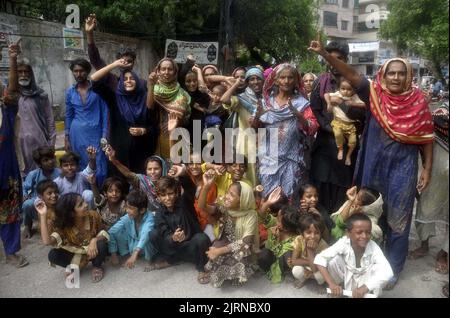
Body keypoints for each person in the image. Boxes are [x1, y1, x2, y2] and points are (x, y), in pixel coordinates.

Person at [309, 38, 434, 289]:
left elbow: (427, 137)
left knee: (398, 219)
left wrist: (427, 169)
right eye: (392, 73)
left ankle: (393, 269)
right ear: (384, 76)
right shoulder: (374, 93)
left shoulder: (418, 102)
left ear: (408, 76)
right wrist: (324, 54)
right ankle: (363, 262)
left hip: (403, 167)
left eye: (401, 74)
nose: (396, 78)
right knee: (366, 214)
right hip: (373, 164)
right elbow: (352, 74)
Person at [85, 14, 146, 175]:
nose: (126, 63)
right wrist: (90, 34)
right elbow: (96, 60)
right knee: (117, 165)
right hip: (117, 131)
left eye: (129, 61)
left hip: (136, 133)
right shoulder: (111, 80)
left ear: (134, 63)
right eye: (122, 60)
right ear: (118, 61)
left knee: (137, 167)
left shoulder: (139, 85)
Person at [309, 41, 366, 214]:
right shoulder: (320, 82)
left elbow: (365, 112)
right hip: (325, 143)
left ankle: (339, 227)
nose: (333, 62)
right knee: (322, 185)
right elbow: (316, 109)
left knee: (343, 189)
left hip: (349, 143)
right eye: (330, 58)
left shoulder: (356, 82)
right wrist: (329, 127)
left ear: (346, 59)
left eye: (339, 58)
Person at [255, 63, 319, 201]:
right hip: (268, 157)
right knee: (267, 195)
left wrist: (298, 115)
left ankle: (285, 221)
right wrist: (256, 116)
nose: (286, 81)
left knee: (288, 196)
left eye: (290, 78)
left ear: (296, 80)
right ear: (276, 80)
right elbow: (255, 128)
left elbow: (312, 127)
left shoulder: (302, 103)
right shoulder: (266, 103)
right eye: (282, 77)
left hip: (291, 157)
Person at [90, 58, 154, 173]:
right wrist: (114, 64)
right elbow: (94, 79)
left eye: (132, 78)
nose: (128, 81)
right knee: (119, 184)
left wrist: (143, 131)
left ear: (138, 81)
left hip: (141, 152)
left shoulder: (145, 99)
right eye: (125, 79)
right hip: (119, 152)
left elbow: (154, 126)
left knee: (140, 183)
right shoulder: (114, 98)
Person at [198, 170, 260, 287]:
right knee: (216, 247)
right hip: (226, 243)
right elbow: (202, 206)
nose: (226, 197)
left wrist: (219, 251)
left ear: (242, 200)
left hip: (242, 247)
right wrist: (206, 186)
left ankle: (238, 275)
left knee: (240, 254)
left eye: (232, 195)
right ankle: (226, 274)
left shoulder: (250, 215)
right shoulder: (225, 208)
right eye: (228, 192)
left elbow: (246, 242)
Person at [147, 173, 211, 285]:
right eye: (163, 195)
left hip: (192, 245)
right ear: (159, 197)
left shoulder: (184, 202)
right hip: (175, 248)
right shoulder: (160, 213)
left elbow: (190, 189)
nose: (167, 198)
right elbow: (163, 231)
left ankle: (201, 268)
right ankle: (172, 260)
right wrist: (173, 237)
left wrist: (182, 174)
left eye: (170, 193)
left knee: (202, 238)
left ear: (176, 193)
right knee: (153, 234)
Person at [409, 102, 448, 275]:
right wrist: (426, 168)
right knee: (426, 206)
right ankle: (424, 244)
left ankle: (445, 253)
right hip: (436, 163)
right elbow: (429, 128)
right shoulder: (442, 110)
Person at [314, 214, 393, 298]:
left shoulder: (373, 247)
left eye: (368, 232)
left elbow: (388, 272)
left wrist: (365, 287)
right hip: (350, 277)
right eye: (359, 232)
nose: (364, 236)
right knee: (333, 261)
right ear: (348, 233)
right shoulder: (344, 242)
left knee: (380, 270)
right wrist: (332, 284)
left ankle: (365, 291)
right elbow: (319, 258)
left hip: (366, 281)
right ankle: (339, 287)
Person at [36, 193, 109, 283]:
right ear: (71, 213)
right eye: (81, 204)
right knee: (53, 255)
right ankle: (76, 266)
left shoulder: (93, 215)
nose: (86, 205)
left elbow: (104, 231)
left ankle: (97, 266)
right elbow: (47, 242)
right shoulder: (64, 226)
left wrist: (94, 240)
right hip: (77, 253)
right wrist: (43, 215)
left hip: (94, 251)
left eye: (84, 201)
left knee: (101, 244)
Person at [0, 41, 29, 268]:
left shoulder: (6, 110)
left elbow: (13, 91)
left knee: (9, 211)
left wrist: (12, 58)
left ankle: (11, 252)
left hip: (5, 169)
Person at [65, 58, 109, 185]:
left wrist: (104, 135)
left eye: (82, 71)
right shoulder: (70, 92)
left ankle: (100, 194)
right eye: (75, 71)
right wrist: (67, 136)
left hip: (96, 133)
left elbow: (105, 113)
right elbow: (68, 115)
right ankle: (85, 193)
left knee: (99, 163)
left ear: (88, 71)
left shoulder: (97, 89)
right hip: (77, 134)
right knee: (81, 163)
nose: (78, 74)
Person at [221, 66, 266, 186]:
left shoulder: (268, 99)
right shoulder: (241, 99)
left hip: (264, 140)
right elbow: (224, 99)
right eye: (251, 79)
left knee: (262, 172)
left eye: (258, 79)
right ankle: (246, 199)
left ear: (263, 80)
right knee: (247, 172)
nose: (255, 82)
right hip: (245, 142)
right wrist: (236, 84)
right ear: (247, 82)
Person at [16, 59, 55, 175]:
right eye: (20, 72)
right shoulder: (10, 95)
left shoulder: (40, 94)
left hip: (39, 142)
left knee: (42, 173)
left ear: (31, 74)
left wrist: (51, 143)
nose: (23, 75)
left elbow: (49, 118)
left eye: (26, 72)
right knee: (23, 173)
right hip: (19, 143)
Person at [146, 58, 191, 158]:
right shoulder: (154, 88)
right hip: (158, 132)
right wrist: (151, 85)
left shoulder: (182, 93)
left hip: (178, 132)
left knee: (176, 164)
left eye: (170, 69)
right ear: (158, 71)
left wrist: (176, 123)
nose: (166, 72)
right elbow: (150, 106)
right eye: (163, 69)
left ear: (175, 72)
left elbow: (186, 117)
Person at [106, 146, 167, 211]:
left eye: (156, 169)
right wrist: (114, 160)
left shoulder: (169, 182)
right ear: (146, 170)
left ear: (163, 169)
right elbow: (128, 174)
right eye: (149, 169)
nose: (152, 172)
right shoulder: (142, 180)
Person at [108, 189, 156, 268]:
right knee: (118, 232)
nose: (127, 211)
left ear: (142, 210)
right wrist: (113, 253)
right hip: (133, 247)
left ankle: (150, 260)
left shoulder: (149, 217)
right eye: (127, 207)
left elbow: (146, 233)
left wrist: (135, 254)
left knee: (149, 235)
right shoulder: (128, 217)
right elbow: (111, 232)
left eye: (131, 208)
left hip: (145, 248)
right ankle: (126, 255)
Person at [22, 146, 61, 238]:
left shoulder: (59, 172)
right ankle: (27, 225)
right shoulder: (33, 174)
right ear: (39, 164)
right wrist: (25, 195)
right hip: (39, 203)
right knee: (27, 204)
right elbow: (25, 188)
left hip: (55, 202)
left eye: (52, 158)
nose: (50, 161)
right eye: (46, 160)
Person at [324, 79, 365, 166]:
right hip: (338, 122)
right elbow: (326, 94)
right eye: (343, 89)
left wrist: (354, 104)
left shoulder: (354, 97)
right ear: (339, 89)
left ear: (353, 90)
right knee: (338, 134)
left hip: (350, 126)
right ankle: (340, 149)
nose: (345, 91)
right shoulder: (338, 94)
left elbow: (364, 104)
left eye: (349, 89)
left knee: (353, 142)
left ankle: (348, 156)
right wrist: (328, 103)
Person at [258, 204, 299, 284]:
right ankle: (265, 268)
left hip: (280, 262)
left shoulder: (295, 239)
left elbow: (278, 254)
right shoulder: (276, 225)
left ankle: (287, 273)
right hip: (272, 258)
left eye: (278, 220)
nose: (276, 220)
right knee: (264, 253)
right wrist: (268, 202)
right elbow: (262, 216)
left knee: (288, 255)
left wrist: (277, 239)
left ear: (286, 227)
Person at [289, 213, 328, 289]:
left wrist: (310, 251)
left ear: (321, 234)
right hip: (308, 265)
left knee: (321, 277)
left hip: (317, 268)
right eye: (308, 232)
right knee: (296, 270)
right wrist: (308, 264)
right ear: (301, 233)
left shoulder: (323, 246)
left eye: (317, 233)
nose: (312, 236)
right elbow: (294, 261)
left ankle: (319, 283)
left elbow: (315, 269)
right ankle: (304, 279)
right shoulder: (299, 239)